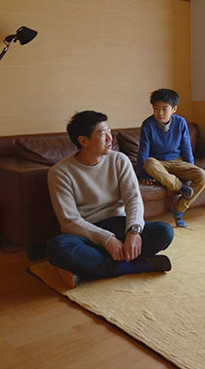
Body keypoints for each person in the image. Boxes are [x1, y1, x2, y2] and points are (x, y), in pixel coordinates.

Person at [44, 110, 174, 290]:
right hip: (88, 233)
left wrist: (133, 231)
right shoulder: (60, 172)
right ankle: (139, 265)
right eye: (102, 133)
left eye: (109, 131)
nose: (110, 138)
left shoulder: (119, 160)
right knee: (57, 247)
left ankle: (87, 269)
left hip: (120, 225)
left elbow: (133, 200)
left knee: (164, 232)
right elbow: (69, 221)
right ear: (83, 141)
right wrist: (106, 239)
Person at [137, 88, 205, 228]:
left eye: (165, 109)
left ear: (174, 109)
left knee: (203, 176)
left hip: (177, 162)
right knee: (149, 163)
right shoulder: (148, 125)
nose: (160, 113)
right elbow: (143, 152)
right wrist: (144, 174)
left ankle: (178, 209)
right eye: (156, 108)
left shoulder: (180, 122)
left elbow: (186, 147)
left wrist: (190, 167)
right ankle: (181, 188)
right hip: (157, 164)